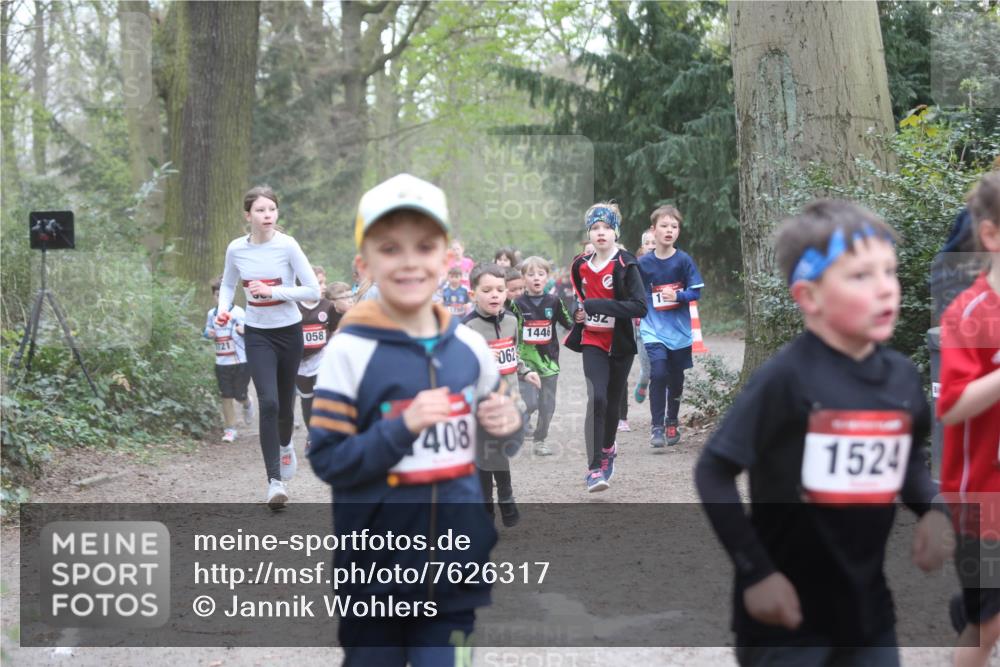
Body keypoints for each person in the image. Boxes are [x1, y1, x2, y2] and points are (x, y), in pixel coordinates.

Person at [694, 199, 949, 666]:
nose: (886, 289)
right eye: (860, 276)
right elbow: (713, 470)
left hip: (868, 617)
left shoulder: (900, 379)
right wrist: (756, 573)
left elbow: (908, 463)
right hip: (784, 622)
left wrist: (933, 509)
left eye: (889, 272)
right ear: (809, 297)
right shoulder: (785, 379)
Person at [307, 173, 521, 667]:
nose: (409, 261)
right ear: (365, 264)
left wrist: (506, 425)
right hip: (374, 578)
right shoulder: (348, 352)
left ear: (447, 261)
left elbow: (496, 439)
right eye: (390, 248)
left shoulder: (470, 348)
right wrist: (401, 429)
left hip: (456, 573)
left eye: (425, 246)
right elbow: (329, 460)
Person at [217, 185, 320, 508]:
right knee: (269, 403)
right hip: (257, 334)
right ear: (248, 216)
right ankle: (274, 482)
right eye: (260, 210)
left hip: (289, 332)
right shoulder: (236, 249)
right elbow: (229, 284)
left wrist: (275, 293)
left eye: (271, 210)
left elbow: (313, 292)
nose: (267, 215)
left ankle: (286, 444)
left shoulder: (287, 246)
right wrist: (225, 308)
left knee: (286, 408)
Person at [938, 172, 1000, 667]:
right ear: (992, 235)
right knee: (986, 629)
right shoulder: (972, 312)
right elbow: (953, 404)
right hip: (981, 502)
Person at [565, 202, 646, 492]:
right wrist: (580, 313)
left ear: (616, 232)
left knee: (612, 402)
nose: (600, 233)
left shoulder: (626, 264)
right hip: (592, 341)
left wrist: (597, 305)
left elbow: (640, 307)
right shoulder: (580, 265)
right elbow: (579, 295)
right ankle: (594, 468)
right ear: (589, 233)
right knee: (596, 398)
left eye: (607, 228)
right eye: (595, 228)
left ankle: (609, 447)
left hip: (620, 344)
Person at [463, 263, 538, 526]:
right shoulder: (467, 328)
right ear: (474, 294)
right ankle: (489, 508)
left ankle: (505, 496)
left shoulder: (511, 321)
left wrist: (525, 370)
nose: (495, 295)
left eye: (500, 289)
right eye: (487, 290)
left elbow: (513, 354)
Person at [638, 205, 704, 447]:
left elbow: (696, 292)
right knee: (658, 373)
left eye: (674, 227)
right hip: (652, 328)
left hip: (680, 331)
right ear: (654, 231)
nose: (669, 231)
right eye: (664, 226)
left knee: (676, 378)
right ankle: (656, 427)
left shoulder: (683, 260)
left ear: (678, 231)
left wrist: (678, 297)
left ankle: (672, 421)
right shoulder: (644, 264)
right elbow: (634, 291)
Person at [516, 256, 574, 456]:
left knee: (547, 406)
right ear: (523, 278)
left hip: (549, 364)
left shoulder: (554, 301)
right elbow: (507, 329)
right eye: (531, 274)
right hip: (526, 364)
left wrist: (581, 322)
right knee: (531, 402)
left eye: (540, 274)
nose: (536, 278)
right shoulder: (517, 304)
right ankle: (519, 421)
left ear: (547, 277)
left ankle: (540, 440)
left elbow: (569, 323)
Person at [296, 266, 342, 453]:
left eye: (324, 282)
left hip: (322, 358)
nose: (323, 286)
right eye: (319, 282)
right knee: (307, 401)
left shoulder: (328, 306)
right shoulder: (294, 305)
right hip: (299, 363)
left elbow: (335, 327)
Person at [204, 276, 253, 443]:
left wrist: (243, 330)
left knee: (239, 395)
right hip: (222, 362)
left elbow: (251, 331)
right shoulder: (212, 313)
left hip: (241, 361)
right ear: (214, 296)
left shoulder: (239, 312)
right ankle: (230, 429)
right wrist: (208, 334)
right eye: (218, 295)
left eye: (225, 295)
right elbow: (207, 330)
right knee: (226, 395)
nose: (221, 298)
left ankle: (246, 403)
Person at [632, 231, 653, 405]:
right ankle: (643, 381)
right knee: (647, 369)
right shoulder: (635, 267)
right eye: (648, 242)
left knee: (663, 371)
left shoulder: (672, 264)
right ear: (642, 247)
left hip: (665, 326)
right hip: (642, 325)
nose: (652, 245)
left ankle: (662, 406)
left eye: (655, 241)